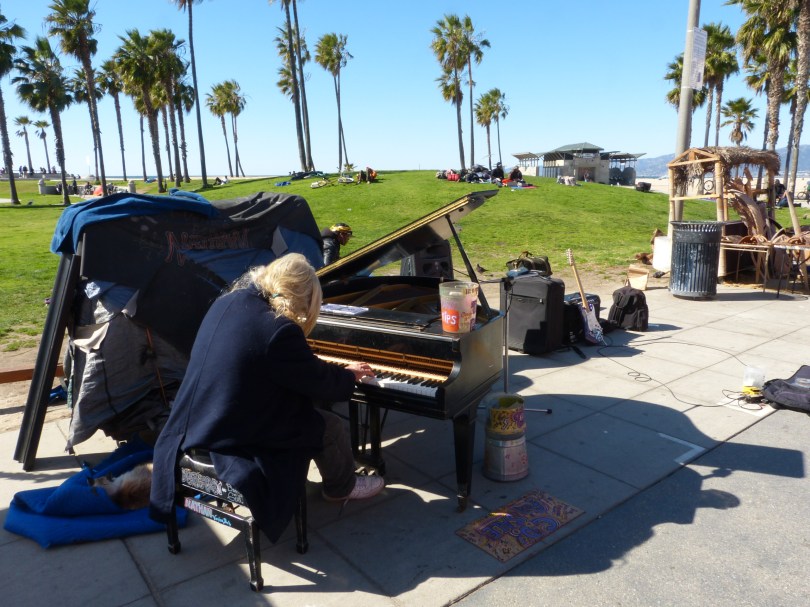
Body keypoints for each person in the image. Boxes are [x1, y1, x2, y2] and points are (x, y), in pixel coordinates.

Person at [150, 253, 385, 544]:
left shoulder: (230, 300)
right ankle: (341, 487)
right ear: (300, 296)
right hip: (231, 435)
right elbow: (322, 384)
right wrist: (348, 375)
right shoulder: (279, 330)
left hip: (195, 418)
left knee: (299, 407)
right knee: (329, 426)